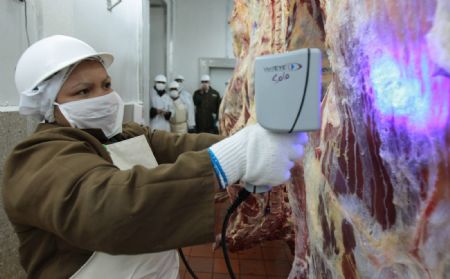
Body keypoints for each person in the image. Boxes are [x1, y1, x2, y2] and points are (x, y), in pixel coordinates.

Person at [2, 35, 308, 278]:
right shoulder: (35, 157)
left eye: (106, 85)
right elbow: (108, 209)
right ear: (46, 105)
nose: (103, 97)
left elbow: (180, 145)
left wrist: (250, 142)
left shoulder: (124, 133)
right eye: (83, 92)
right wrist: (228, 160)